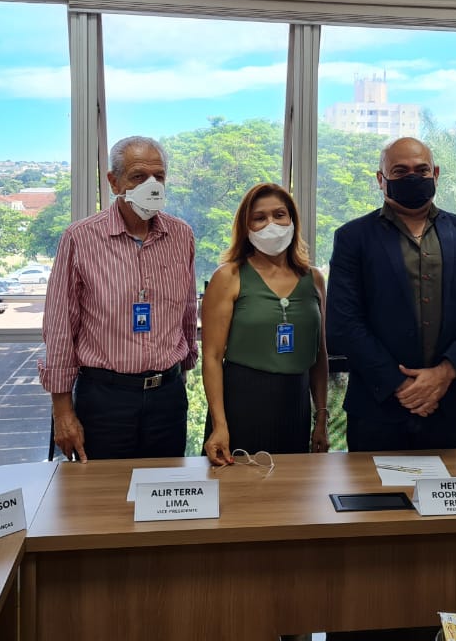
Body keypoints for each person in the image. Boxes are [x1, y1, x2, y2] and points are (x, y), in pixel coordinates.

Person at [326, 137, 456, 452]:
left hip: (444, 404)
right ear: (381, 179)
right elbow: (343, 324)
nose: (412, 177)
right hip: (376, 407)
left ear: (436, 173)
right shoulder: (353, 237)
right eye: (400, 171)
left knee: (443, 484)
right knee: (372, 486)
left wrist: (444, 374)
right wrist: (402, 385)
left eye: (421, 170)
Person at [40, 136, 198, 462]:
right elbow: (60, 328)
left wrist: (182, 371)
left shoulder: (181, 235)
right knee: (104, 491)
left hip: (167, 398)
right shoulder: (81, 238)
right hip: (105, 399)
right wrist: (62, 411)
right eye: (139, 176)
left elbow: (186, 310)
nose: (152, 186)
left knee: (165, 486)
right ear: (114, 182)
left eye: (159, 177)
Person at [201, 184, 329, 464]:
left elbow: (319, 356)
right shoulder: (229, 276)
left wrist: (321, 416)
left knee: (292, 486)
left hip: (296, 405)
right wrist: (219, 424)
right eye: (259, 218)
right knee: (237, 487)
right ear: (246, 227)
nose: (271, 224)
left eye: (279, 215)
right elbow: (211, 357)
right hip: (242, 404)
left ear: (292, 220)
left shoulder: (315, 279)